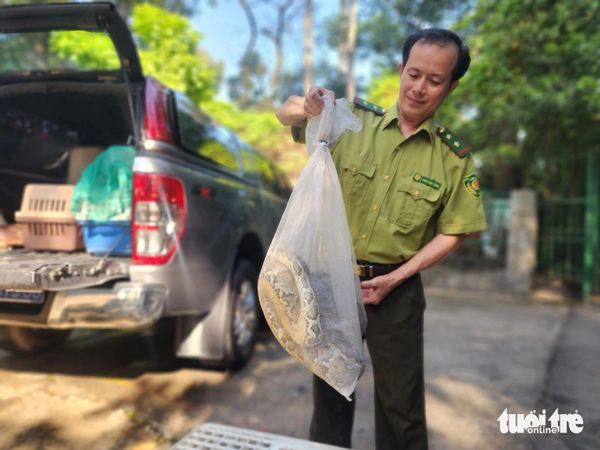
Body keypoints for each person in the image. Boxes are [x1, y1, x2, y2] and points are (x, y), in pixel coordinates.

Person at [275, 28, 487, 450]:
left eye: (434, 80)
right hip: (333, 283)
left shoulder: (452, 158)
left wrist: (398, 277)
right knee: (333, 398)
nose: (419, 88)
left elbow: (454, 231)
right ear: (401, 69)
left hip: (398, 291)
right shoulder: (353, 121)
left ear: (451, 85)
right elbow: (287, 113)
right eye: (414, 74)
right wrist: (311, 105)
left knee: (401, 411)